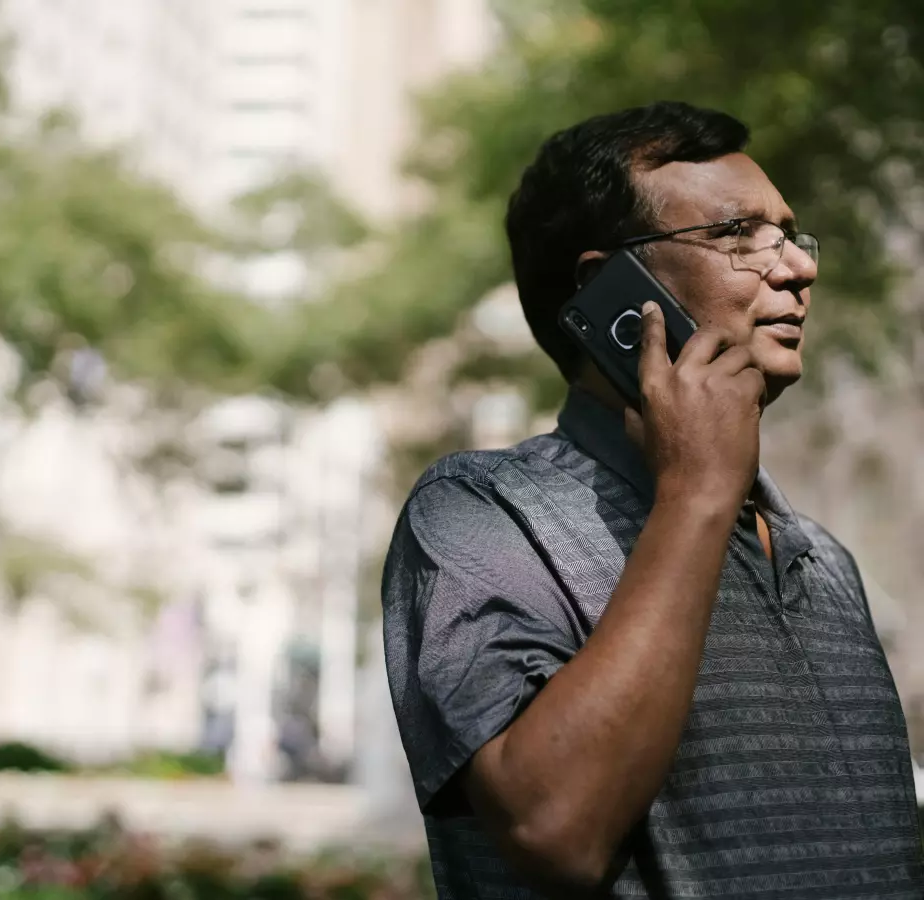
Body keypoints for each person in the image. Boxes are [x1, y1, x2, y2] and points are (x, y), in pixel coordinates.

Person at [381, 102, 924, 899]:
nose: (797, 267)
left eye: (790, 234)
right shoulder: (477, 512)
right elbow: (557, 831)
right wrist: (696, 490)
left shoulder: (824, 560)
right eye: (738, 233)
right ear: (608, 287)